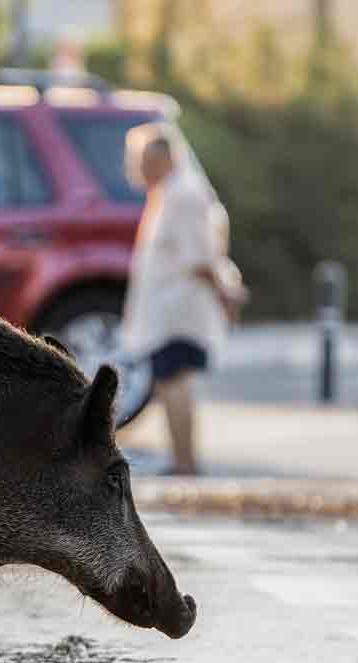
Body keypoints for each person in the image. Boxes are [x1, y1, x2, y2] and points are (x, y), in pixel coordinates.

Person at [120, 125, 248, 476]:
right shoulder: (168, 193)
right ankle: (182, 459)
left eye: (140, 160)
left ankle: (185, 462)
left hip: (179, 311)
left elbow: (201, 258)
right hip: (168, 310)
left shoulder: (184, 196)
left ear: (161, 159)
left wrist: (224, 295)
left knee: (175, 381)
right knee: (170, 382)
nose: (135, 168)